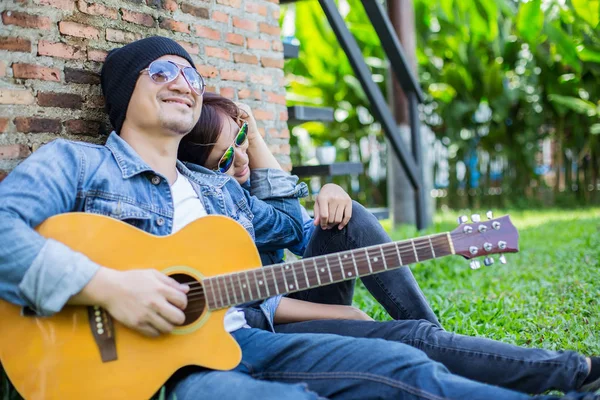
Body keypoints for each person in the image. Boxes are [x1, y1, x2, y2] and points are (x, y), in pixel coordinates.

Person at [0, 36, 597, 400]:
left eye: (192, 76)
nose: (183, 83)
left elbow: (300, 231)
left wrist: (330, 192)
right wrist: (109, 286)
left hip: (252, 340)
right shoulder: (78, 165)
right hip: (164, 374)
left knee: (407, 364)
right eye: (162, 72)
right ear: (125, 91)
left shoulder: (217, 194)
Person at [178, 92, 600, 396]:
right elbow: (251, 306)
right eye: (225, 157)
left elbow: (303, 232)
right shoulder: (207, 202)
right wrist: (337, 310)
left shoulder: (240, 185)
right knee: (405, 341)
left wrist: (331, 193)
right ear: (202, 169)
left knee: (353, 217)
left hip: (285, 295)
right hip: (264, 326)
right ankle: (565, 370)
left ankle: (435, 338)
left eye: (242, 142)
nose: (243, 159)